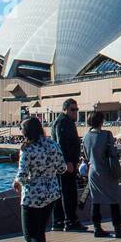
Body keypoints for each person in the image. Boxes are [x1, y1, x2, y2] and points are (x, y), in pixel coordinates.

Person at [13, 116, 70, 242]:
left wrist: (17, 182)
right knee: (39, 234)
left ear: (26, 132)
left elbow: (22, 175)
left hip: (32, 197)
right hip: (51, 193)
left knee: (29, 235)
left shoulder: (27, 148)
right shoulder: (52, 144)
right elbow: (62, 168)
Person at [81, 112, 121, 238]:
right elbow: (112, 152)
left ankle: (97, 228)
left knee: (95, 201)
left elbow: (85, 155)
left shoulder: (86, 136)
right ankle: (117, 228)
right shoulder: (107, 135)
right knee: (114, 200)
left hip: (93, 172)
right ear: (101, 121)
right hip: (107, 171)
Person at [49, 99, 84, 231]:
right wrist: (68, 161)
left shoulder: (64, 121)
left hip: (62, 163)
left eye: (76, 109)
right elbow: (61, 143)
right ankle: (70, 221)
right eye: (72, 109)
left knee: (61, 193)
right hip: (65, 164)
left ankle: (58, 222)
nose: (75, 112)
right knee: (68, 193)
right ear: (65, 110)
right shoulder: (63, 122)